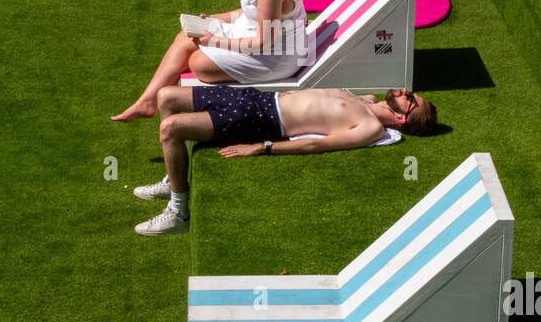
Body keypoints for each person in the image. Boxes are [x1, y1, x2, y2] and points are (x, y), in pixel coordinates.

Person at [132, 86, 438, 235]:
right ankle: (173, 179)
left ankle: (178, 211)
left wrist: (263, 147)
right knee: (166, 97)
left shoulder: (370, 128)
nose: (405, 91)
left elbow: (317, 146)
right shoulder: (367, 100)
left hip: (263, 119)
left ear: (401, 117)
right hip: (262, 98)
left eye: (411, 99)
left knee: (170, 128)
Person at [111, 0, 306, 122]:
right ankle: (148, 101)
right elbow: (248, 12)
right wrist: (214, 18)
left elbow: (263, 42)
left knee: (198, 62)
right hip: (254, 38)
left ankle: (156, 102)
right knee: (185, 36)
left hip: (274, 57)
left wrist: (213, 41)